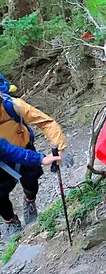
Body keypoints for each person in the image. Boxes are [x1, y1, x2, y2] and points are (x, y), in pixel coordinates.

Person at [0, 74, 66, 240]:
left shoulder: (14, 106)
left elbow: (46, 122)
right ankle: (10, 220)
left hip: (23, 148)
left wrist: (58, 148)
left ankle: (29, 201)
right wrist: (42, 158)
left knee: (31, 181)